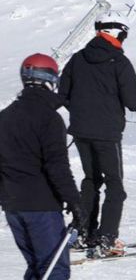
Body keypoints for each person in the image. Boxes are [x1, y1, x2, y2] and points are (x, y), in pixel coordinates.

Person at [58, 19, 136, 257]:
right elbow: (134, 101)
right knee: (114, 185)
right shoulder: (118, 62)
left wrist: (83, 114)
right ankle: (106, 238)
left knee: (91, 180)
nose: (123, 41)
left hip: (81, 130)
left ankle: (83, 234)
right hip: (107, 134)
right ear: (115, 35)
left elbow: (63, 94)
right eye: (123, 37)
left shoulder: (78, 58)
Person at [0, 53, 82, 280]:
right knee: (54, 268)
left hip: (14, 207)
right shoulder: (49, 119)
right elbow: (57, 166)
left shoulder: (5, 117)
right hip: (41, 207)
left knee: (37, 266)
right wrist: (74, 201)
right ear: (50, 80)